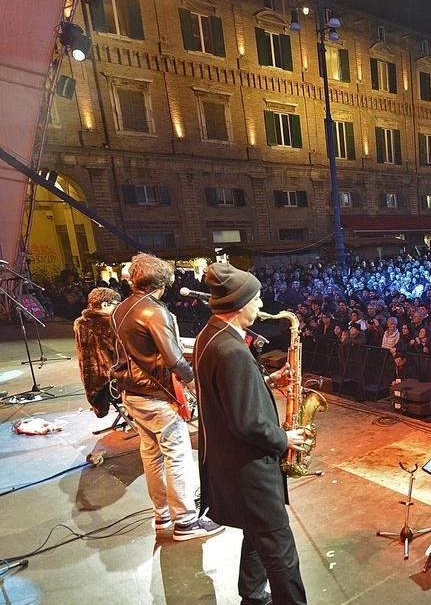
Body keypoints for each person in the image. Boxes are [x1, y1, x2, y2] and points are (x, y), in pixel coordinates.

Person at [193, 263, 310, 605]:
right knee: (280, 550)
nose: (260, 306)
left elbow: (229, 396)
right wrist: (284, 439)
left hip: (232, 465)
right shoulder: (231, 351)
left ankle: (253, 595)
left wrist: (272, 380)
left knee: (255, 532)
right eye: (256, 299)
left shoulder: (210, 336)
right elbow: (247, 423)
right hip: (250, 471)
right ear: (239, 303)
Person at [112, 253, 222, 539]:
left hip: (131, 394)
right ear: (161, 282)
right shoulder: (154, 311)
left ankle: (161, 516)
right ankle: (186, 521)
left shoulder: (120, 309)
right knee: (178, 456)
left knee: (151, 455)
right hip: (157, 396)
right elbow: (174, 359)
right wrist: (195, 384)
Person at [74, 287, 121, 418]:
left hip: (92, 380)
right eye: (116, 305)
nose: (118, 308)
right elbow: (120, 350)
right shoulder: (107, 322)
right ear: (105, 304)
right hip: (109, 380)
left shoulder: (81, 322)